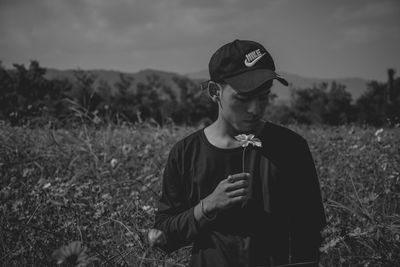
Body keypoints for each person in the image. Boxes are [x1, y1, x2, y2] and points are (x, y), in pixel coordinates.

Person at [152, 39, 326, 267]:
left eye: (263, 96)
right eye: (243, 98)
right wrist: (208, 206)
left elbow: (309, 233)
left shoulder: (291, 148)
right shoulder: (186, 153)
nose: (255, 109)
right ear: (215, 91)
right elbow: (163, 236)